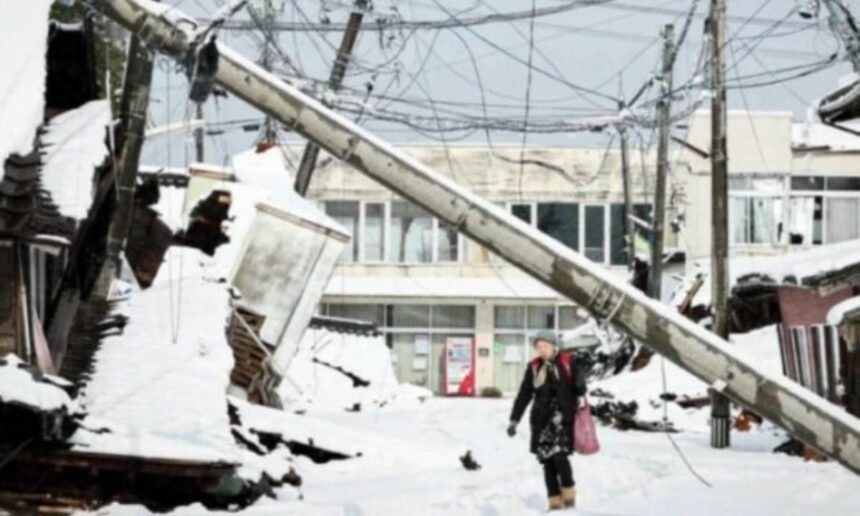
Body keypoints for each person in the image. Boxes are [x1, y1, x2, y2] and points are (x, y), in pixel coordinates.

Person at [506, 331, 587, 511]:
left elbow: (580, 388)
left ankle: (569, 498)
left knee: (560, 457)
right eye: (538, 347)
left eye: (545, 346)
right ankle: (555, 503)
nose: (541, 350)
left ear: (554, 346)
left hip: (563, 419)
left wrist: (580, 385)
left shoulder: (568, 362)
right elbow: (524, 394)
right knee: (547, 462)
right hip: (541, 421)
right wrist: (514, 420)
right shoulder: (534, 367)